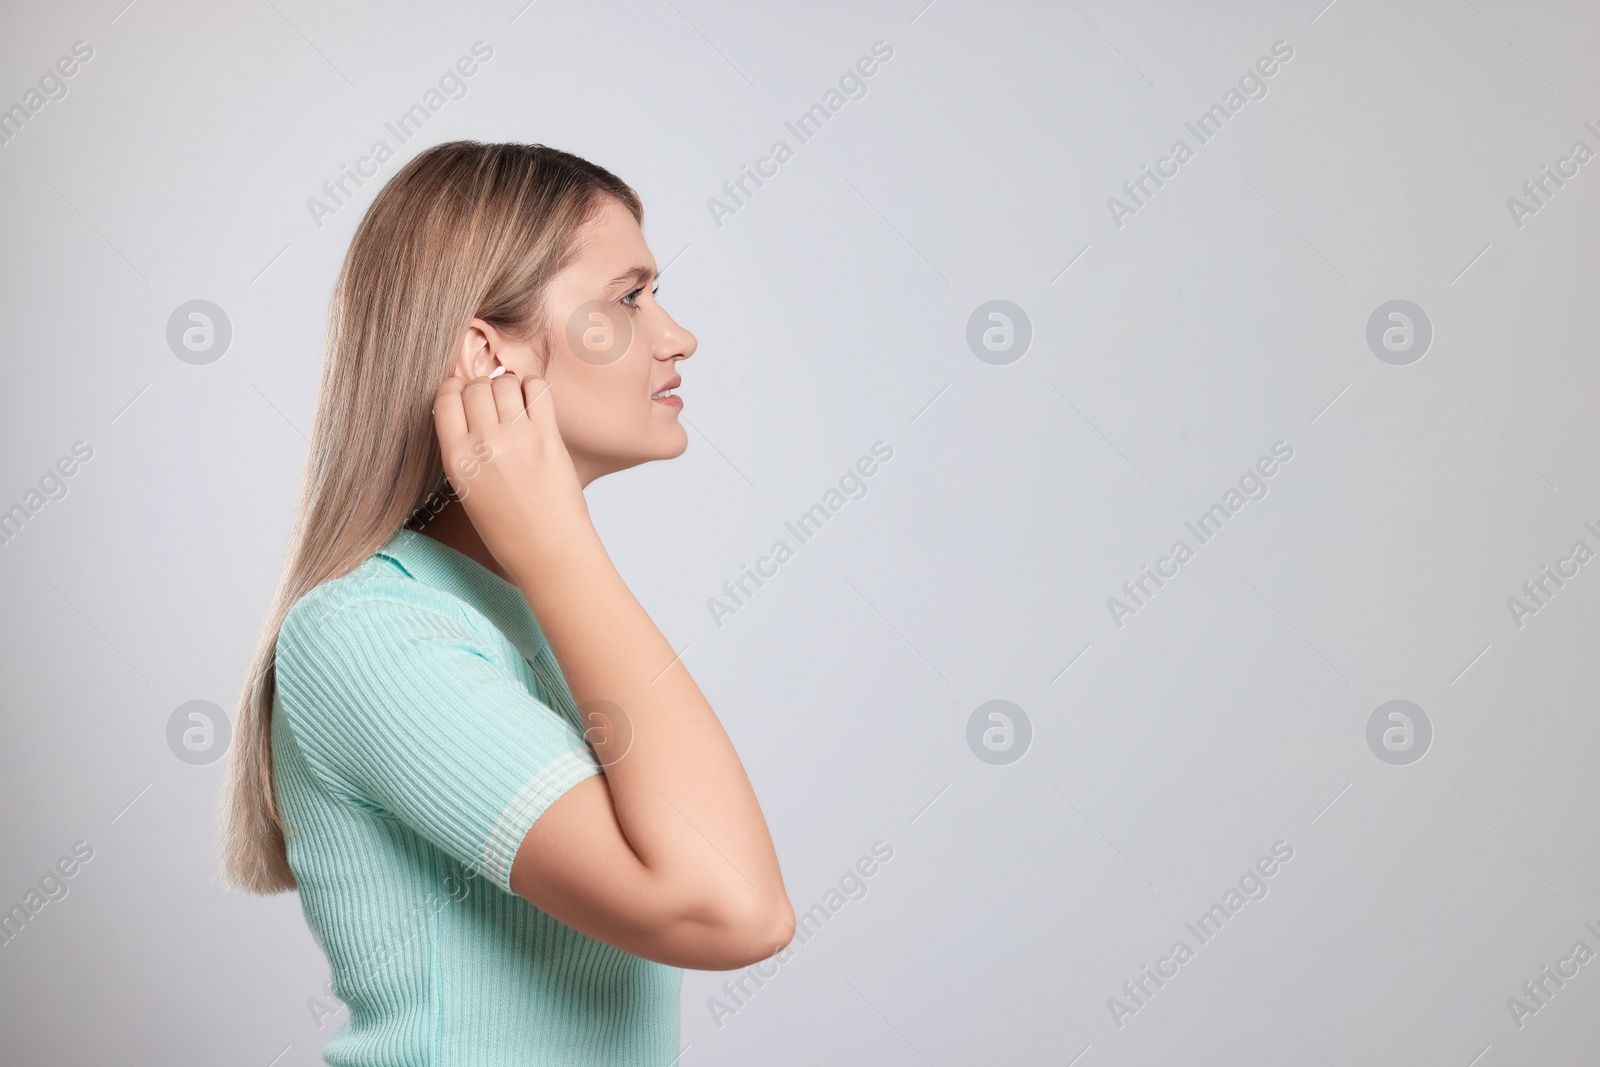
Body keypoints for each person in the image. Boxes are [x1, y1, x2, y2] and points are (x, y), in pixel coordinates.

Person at [217, 141, 794, 1065]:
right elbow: (733, 908)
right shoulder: (366, 634)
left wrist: (552, 552)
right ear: (485, 352)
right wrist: (559, 544)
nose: (678, 336)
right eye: (630, 297)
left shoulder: (526, 617)